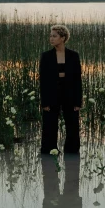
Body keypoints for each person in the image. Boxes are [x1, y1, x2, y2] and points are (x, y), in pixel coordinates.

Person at [39, 25, 82, 155]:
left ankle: (72, 153)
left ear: (63, 38)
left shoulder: (73, 56)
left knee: (72, 124)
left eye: (54, 36)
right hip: (52, 94)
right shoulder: (46, 56)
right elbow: (43, 81)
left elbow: (77, 80)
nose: (51, 38)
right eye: (50, 36)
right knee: (49, 125)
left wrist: (77, 102)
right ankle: (49, 151)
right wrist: (44, 102)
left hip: (69, 93)